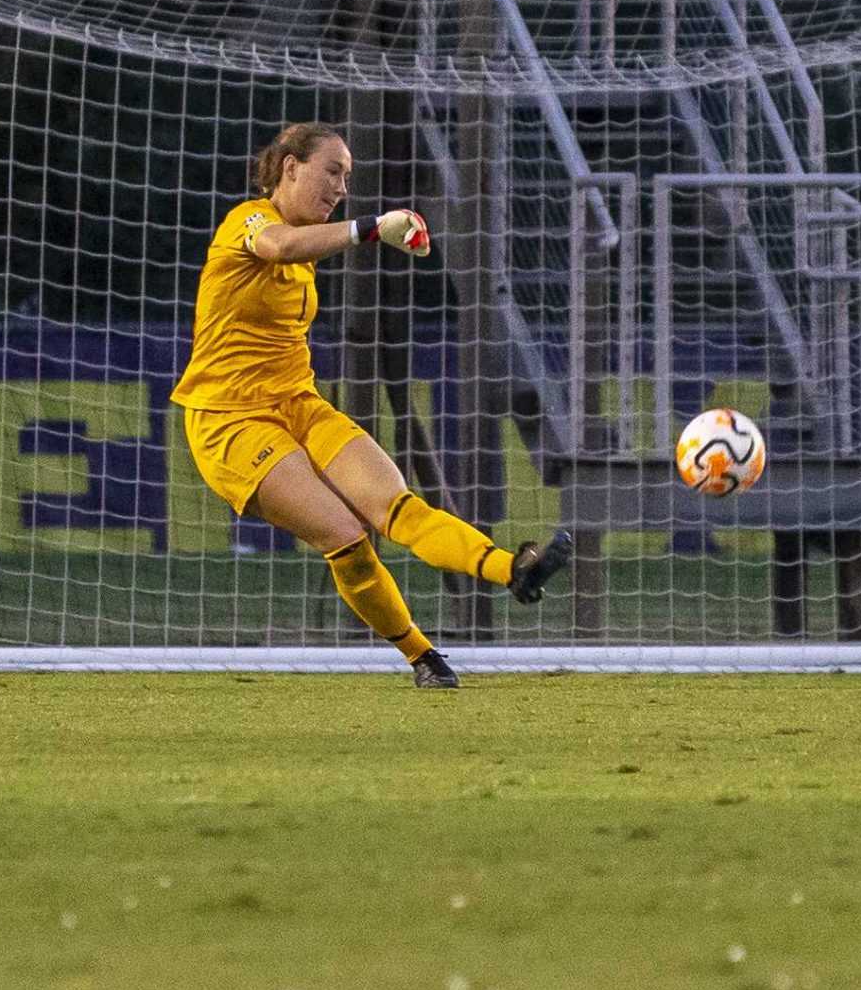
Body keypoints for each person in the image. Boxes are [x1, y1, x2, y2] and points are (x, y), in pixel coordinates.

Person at [173, 121, 570, 688]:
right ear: (290, 167)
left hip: (298, 405)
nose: (340, 187)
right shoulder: (249, 221)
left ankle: (515, 569)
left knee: (398, 507)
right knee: (346, 537)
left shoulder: (308, 246)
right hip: (228, 420)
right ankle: (422, 655)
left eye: (348, 178)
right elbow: (277, 246)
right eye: (331, 171)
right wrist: (372, 227)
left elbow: (300, 250)